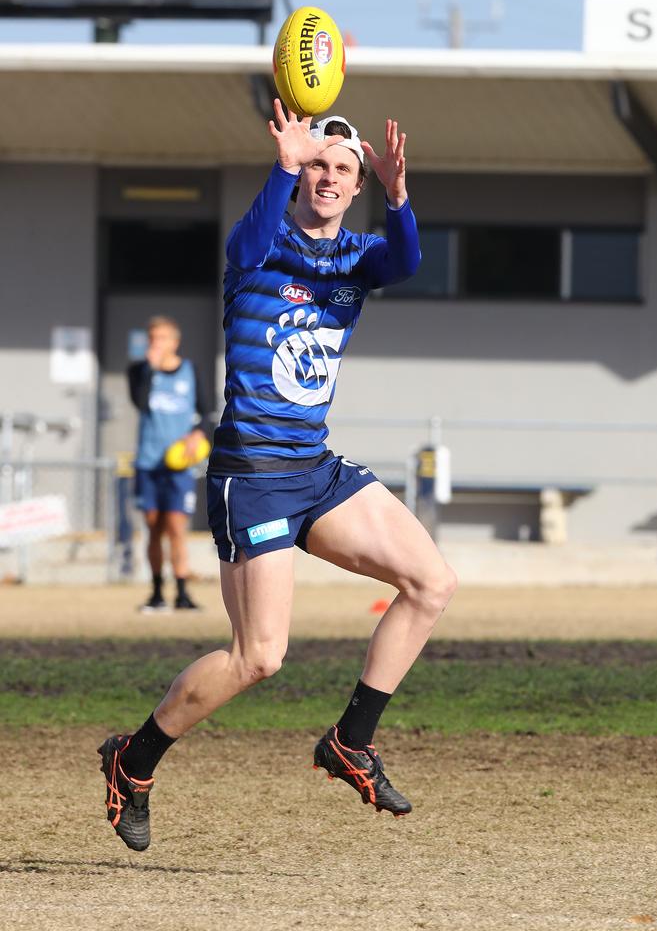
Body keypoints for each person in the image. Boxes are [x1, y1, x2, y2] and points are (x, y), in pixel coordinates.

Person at [98, 102, 457, 851]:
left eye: (341, 169)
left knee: (431, 582)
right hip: (252, 473)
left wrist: (399, 199)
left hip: (315, 468)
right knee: (259, 656)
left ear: (356, 184)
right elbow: (249, 238)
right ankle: (133, 761)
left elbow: (408, 262)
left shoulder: (360, 254)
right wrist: (284, 163)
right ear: (301, 175)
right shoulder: (261, 244)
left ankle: (351, 740)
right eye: (318, 166)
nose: (328, 177)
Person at [127, 315, 207, 612]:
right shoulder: (138, 371)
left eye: (161, 338)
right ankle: (157, 593)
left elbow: (205, 412)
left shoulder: (190, 371)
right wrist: (150, 368)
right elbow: (141, 403)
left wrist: (197, 435)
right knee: (153, 527)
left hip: (179, 465)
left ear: (174, 341)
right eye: (151, 339)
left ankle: (183, 593)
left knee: (176, 526)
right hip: (148, 461)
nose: (155, 344)